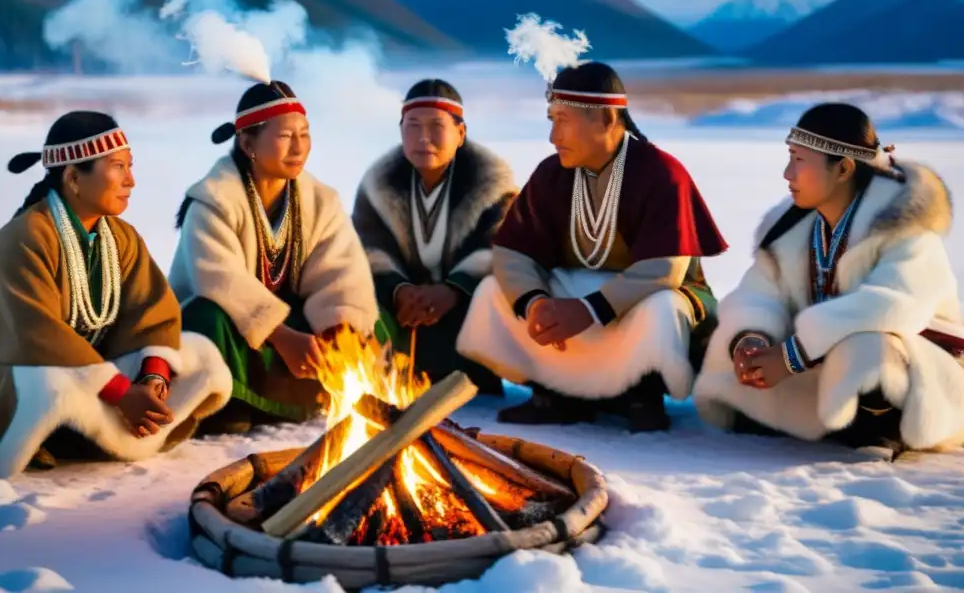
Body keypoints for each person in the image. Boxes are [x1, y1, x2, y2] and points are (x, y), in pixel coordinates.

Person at [0, 112, 231, 477]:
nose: (131, 180)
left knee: (198, 353)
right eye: (118, 167)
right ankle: (62, 433)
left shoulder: (121, 237)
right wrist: (123, 394)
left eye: (130, 166)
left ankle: (82, 432)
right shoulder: (24, 237)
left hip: (83, 369)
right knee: (49, 384)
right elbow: (36, 339)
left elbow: (153, 314)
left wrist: (151, 380)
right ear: (74, 177)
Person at [457, 62, 727, 430]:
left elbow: (664, 270)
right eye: (551, 120)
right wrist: (536, 302)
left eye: (563, 120)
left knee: (662, 307)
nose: (554, 136)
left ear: (605, 118)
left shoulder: (661, 173)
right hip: (576, 294)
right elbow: (513, 251)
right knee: (494, 292)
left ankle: (638, 394)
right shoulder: (551, 174)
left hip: (643, 300)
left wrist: (587, 310)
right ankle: (552, 392)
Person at [693, 103, 964, 453]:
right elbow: (758, 292)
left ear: (843, 169)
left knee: (869, 342)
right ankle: (815, 418)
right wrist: (752, 337)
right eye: (789, 158)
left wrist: (792, 357)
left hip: (921, 371)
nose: (787, 174)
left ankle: (877, 430)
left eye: (799, 160)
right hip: (818, 364)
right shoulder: (793, 227)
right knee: (733, 345)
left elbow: (891, 306)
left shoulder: (904, 226)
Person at [169, 81, 379, 432]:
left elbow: (340, 273)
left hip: (284, 330)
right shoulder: (213, 201)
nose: (299, 147)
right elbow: (218, 281)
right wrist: (282, 337)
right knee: (209, 315)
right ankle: (227, 403)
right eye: (284, 136)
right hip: (232, 331)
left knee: (366, 318)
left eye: (304, 134)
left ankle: (308, 397)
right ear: (248, 143)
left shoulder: (320, 201)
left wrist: (336, 332)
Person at [352, 80, 517, 394]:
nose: (423, 138)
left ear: (461, 134)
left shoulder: (492, 182)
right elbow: (369, 248)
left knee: (499, 288)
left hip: (466, 311)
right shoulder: (379, 183)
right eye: (412, 126)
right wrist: (399, 290)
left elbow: (499, 246)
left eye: (436, 126)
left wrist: (454, 290)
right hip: (404, 311)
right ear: (401, 131)